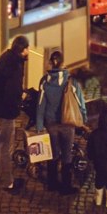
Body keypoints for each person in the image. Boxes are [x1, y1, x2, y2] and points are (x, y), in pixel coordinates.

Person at [34, 49, 87, 194]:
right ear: (63, 64)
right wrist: (84, 119)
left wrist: (39, 126)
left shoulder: (44, 82)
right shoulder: (71, 81)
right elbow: (80, 103)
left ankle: (52, 183)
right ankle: (66, 187)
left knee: (53, 154)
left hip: (51, 125)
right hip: (67, 124)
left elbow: (40, 105)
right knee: (67, 155)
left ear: (51, 63)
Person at [0, 35, 29, 193]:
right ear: (22, 50)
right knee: (6, 147)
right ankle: (8, 182)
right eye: (27, 48)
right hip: (5, 112)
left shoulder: (4, 57)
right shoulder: (15, 66)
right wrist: (20, 100)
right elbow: (12, 91)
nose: (29, 51)